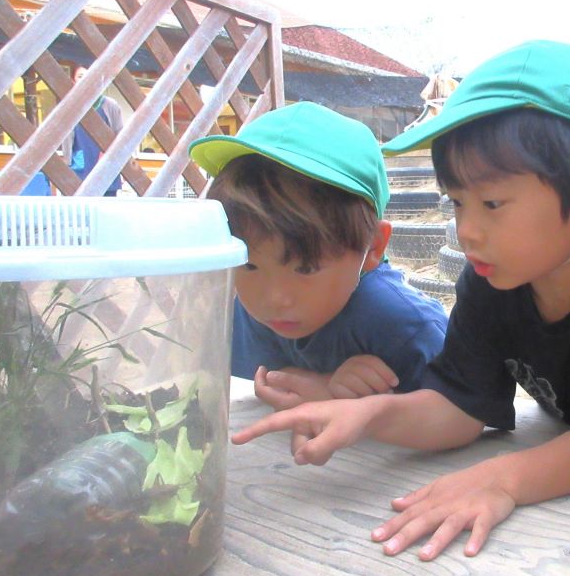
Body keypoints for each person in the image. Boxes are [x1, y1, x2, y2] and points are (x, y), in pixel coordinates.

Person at [230, 41, 570, 560]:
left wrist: (502, 480)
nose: (466, 231)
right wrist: (368, 414)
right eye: (458, 201)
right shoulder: (494, 281)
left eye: (492, 203)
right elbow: (460, 407)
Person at [188, 101, 448, 406]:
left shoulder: (404, 327)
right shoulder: (236, 316)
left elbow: (469, 412)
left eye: (306, 268)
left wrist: (369, 401)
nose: (274, 298)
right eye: (249, 265)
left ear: (374, 248)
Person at [61, 65, 124, 195]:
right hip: (80, 168)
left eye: (88, 75)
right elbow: (67, 142)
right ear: (73, 81)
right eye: (80, 76)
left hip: (106, 168)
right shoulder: (70, 108)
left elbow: (121, 136)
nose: (84, 80)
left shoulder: (110, 105)